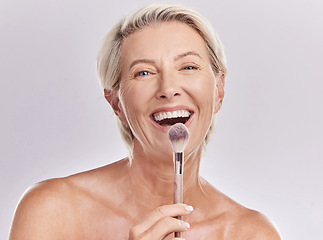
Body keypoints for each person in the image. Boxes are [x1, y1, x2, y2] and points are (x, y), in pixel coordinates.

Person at [9, 3, 282, 240]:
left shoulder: (251, 233)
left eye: (188, 66)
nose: (168, 87)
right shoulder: (52, 211)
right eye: (143, 72)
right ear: (116, 103)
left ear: (219, 89)